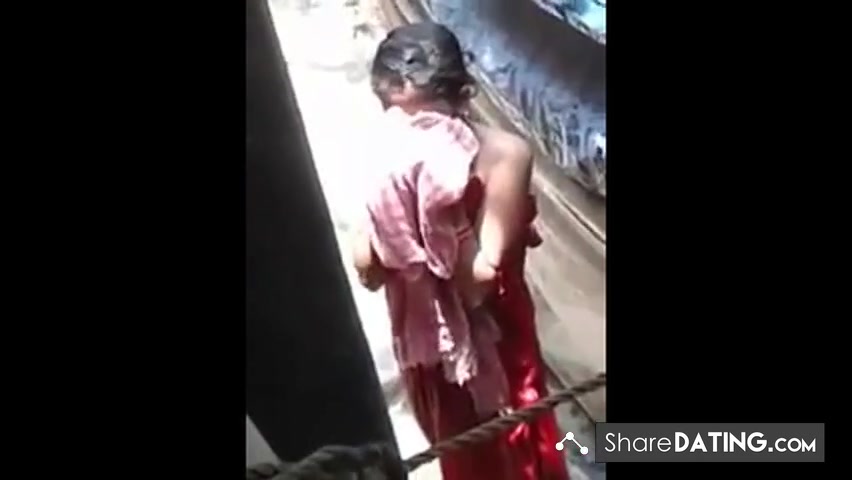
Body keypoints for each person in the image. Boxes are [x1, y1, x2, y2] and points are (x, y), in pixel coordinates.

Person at [353, 22, 569, 480]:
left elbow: (476, 281)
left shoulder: (498, 154)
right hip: (442, 339)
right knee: (475, 451)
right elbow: (370, 270)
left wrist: (438, 206)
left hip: (483, 338)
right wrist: (397, 193)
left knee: (506, 449)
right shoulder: (395, 160)